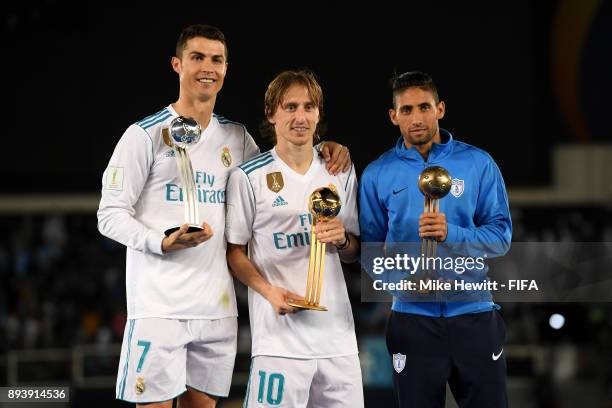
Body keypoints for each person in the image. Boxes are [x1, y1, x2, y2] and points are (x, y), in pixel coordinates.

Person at [97, 25, 350, 408]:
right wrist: (159, 242)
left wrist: (323, 148)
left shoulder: (237, 137)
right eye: (197, 57)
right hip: (160, 307)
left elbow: (277, 172)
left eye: (216, 59)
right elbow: (109, 214)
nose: (207, 67)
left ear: (226, 68)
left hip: (218, 310)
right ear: (177, 64)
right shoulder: (144, 135)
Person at [359, 71, 512, 407]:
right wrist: (403, 282)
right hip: (412, 321)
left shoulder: (478, 164)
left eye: (424, 107)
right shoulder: (377, 174)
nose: (417, 118)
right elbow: (369, 252)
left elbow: (501, 236)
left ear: (440, 108)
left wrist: (451, 233)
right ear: (393, 116)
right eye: (407, 110)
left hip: (474, 314)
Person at [225, 70, 363, 407]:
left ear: (318, 114)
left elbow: (354, 251)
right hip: (279, 343)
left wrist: (343, 240)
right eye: (290, 107)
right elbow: (234, 254)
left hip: (337, 340)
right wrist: (269, 292)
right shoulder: (249, 176)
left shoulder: (339, 169)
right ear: (271, 114)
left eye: (308, 107)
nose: (300, 117)